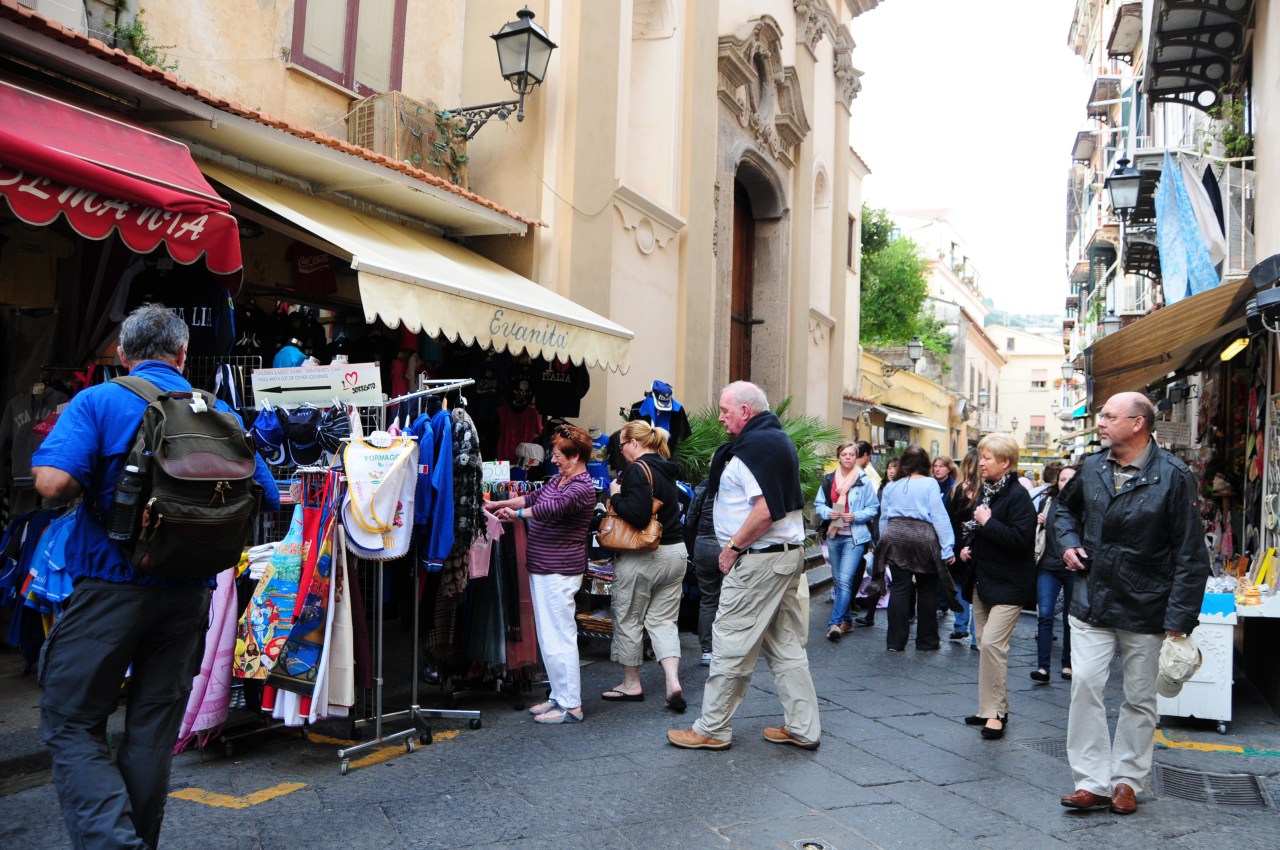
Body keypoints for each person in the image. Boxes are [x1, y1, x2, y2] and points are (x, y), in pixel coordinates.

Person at [32, 303, 280, 849]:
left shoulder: (98, 400)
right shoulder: (221, 413)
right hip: (190, 594)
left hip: (110, 587)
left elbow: (52, 485)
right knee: (151, 730)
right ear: (183, 354)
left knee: (71, 720)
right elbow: (268, 491)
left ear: (121, 354)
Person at [1055, 392, 1209, 815]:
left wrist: (1180, 618)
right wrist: (1067, 543)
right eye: (1101, 415)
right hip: (1092, 597)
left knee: (1139, 698)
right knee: (1085, 685)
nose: (1099, 422)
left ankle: (1127, 780)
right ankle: (1092, 782)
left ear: (1138, 423)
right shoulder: (1090, 466)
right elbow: (1062, 513)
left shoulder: (1174, 476)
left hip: (1146, 605)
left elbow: (1191, 554)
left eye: (1108, 416)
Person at [667, 381, 819, 750]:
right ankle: (803, 727)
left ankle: (712, 728)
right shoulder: (771, 440)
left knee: (731, 641)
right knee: (785, 646)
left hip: (759, 560)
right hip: (779, 558)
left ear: (746, 411)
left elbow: (765, 509)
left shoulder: (757, 446)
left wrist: (732, 547)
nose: (720, 418)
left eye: (724, 410)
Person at [487, 424, 596, 724]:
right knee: (549, 638)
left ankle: (571, 704)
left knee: (560, 636)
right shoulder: (562, 480)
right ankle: (559, 697)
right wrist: (501, 503)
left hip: (559, 570)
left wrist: (515, 515)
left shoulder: (581, 487)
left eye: (559, 455)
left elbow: (548, 509)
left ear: (575, 457)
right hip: (545, 568)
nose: (554, 459)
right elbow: (533, 499)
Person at [601, 420, 688, 712]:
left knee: (628, 617)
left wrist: (613, 494)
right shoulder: (666, 468)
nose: (621, 450)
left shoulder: (637, 471)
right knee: (663, 620)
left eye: (622, 444)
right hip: (675, 553)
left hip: (645, 556)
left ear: (634, 444)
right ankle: (672, 681)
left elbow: (637, 517)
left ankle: (631, 684)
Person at [959, 434, 1036, 740]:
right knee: (984, 646)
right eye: (982, 456)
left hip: (1010, 583)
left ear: (1006, 463)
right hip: (983, 579)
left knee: (993, 645)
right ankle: (987, 707)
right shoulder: (986, 492)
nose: (982, 463)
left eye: (989, 457)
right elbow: (984, 529)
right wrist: (970, 544)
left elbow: (1021, 541)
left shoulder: (1018, 497)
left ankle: (998, 713)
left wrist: (987, 523)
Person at [872, 446, 955, 651]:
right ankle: (927, 641)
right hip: (923, 536)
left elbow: (884, 517)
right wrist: (947, 547)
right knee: (927, 589)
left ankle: (895, 642)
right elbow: (939, 515)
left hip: (895, 535)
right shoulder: (930, 484)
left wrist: (883, 543)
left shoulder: (892, 486)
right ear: (925, 464)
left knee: (900, 588)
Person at [815, 442, 879, 641]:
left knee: (844, 580)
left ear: (856, 457)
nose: (848, 457)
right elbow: (819, 504)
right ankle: (847, 622)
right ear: (839, 457)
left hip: (855, 537)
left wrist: (856, 515)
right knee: (839, 580)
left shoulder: (863, 481)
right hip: (834, 536)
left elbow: (873, 508)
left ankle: (834, 623)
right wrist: (828, 512)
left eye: (852, 454)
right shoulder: (829, 479)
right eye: (844, 454)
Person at [1033, 464, 1078, 684]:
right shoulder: (1046, 502)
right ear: (1056, 482)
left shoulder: (1085, 506)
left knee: (1070, 618)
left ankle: (1068, 663)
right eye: (1062, 479)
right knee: (1045, 615)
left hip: (1073, 569)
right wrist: (1037, 522)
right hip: (1048, 566)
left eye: (1070, 479)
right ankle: (1043, 667)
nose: (1065, 483)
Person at [945, 448, 981, 645]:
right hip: (977, 543)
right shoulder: (985, 491)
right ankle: (977, 636)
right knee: (976, 589)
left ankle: (960, 626)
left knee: (959, 585)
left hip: (957, 543)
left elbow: (947, 520)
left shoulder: (955, 490)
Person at [687, 477, 721, 666]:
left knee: (708, 599)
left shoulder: (704, 485)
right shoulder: (737, 482)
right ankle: (726, 648)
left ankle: (707, 650)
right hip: (729, 544)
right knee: (730, 599)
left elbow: (691, 518)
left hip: (704, 545)